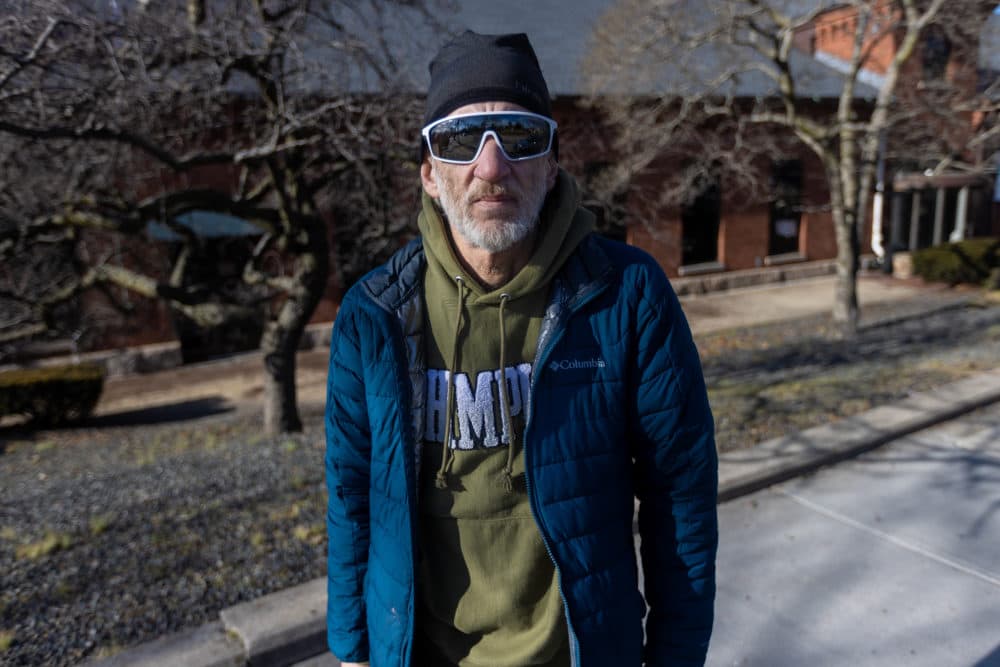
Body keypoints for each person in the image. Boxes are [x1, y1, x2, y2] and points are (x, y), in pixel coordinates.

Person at [325, 30, 718, 667]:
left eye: (521, 136)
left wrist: (675, 656)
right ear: (430, 173)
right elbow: (351, 496)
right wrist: (350, 650)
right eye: (459, 142)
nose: (491, 166)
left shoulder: (628, 295)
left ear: (552, 162)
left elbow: (681, 495)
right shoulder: (372, 317)